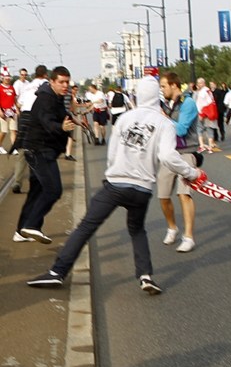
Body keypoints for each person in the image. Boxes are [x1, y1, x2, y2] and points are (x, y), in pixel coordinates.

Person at [25, 76, 204, 293]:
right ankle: (146, 276)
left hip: (116, 183)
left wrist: (112, 172)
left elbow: (112, 152)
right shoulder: (164, 123)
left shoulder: (125, 119)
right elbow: (168, 156)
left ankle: (57, 272)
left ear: (137, 95)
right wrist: (191, 173)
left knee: (86, 227)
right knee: (137, 230)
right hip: (142, 188)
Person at [15, 66, 76, 244]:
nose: (65, 86)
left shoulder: (56, 97)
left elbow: (60, 115)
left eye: (67, 82)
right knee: (53, 190)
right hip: (39, 151)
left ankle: (21, 231)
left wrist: (72, 119)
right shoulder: (45, 99)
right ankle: (32, 225)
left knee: (36, 191)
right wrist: (61, 128)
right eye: (61, 82)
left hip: (40, 149)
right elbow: (47, 121)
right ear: (52, 82)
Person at [157, 72, 200, 253]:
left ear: (174, 85)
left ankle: (188, 236)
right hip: (168, 153)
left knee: (184, 194)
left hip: (186, 153)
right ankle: (172, 227)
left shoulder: (187, 103)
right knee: (163, 196)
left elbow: (181, 129)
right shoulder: (165, 104)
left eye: (164, 86)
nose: (162, 89)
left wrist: (163, 117)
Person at [10, 65, 48, 197]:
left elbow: (19, 104)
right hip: (37, 118)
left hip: (24, 118)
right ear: (45, 74)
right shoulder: (46, 85)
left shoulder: (27, 86)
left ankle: (17, 182)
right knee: (39, 150)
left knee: (22, 151)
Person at [194, 78, 218, 153]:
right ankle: (210, 146)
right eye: (198, 83)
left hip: (203, 113)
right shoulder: (208, 91)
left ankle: (201, 146)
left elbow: (200, 104)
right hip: (210, 113)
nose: (198, 84)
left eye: (200, 83)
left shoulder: (202, 92)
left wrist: (201, 113)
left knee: (199, 129)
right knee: (209, 129)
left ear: (203, 83)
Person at [0, 69, 17, 155]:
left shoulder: (12, 88)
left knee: (13, 130)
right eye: (6, 78)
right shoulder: (0, 88)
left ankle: (14, 148)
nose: (7, 79)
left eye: (8, 77)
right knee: (4, 131)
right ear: (2, 78)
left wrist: (17, 109)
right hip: (3, 112)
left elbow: (14, 99)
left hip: (12, 112)